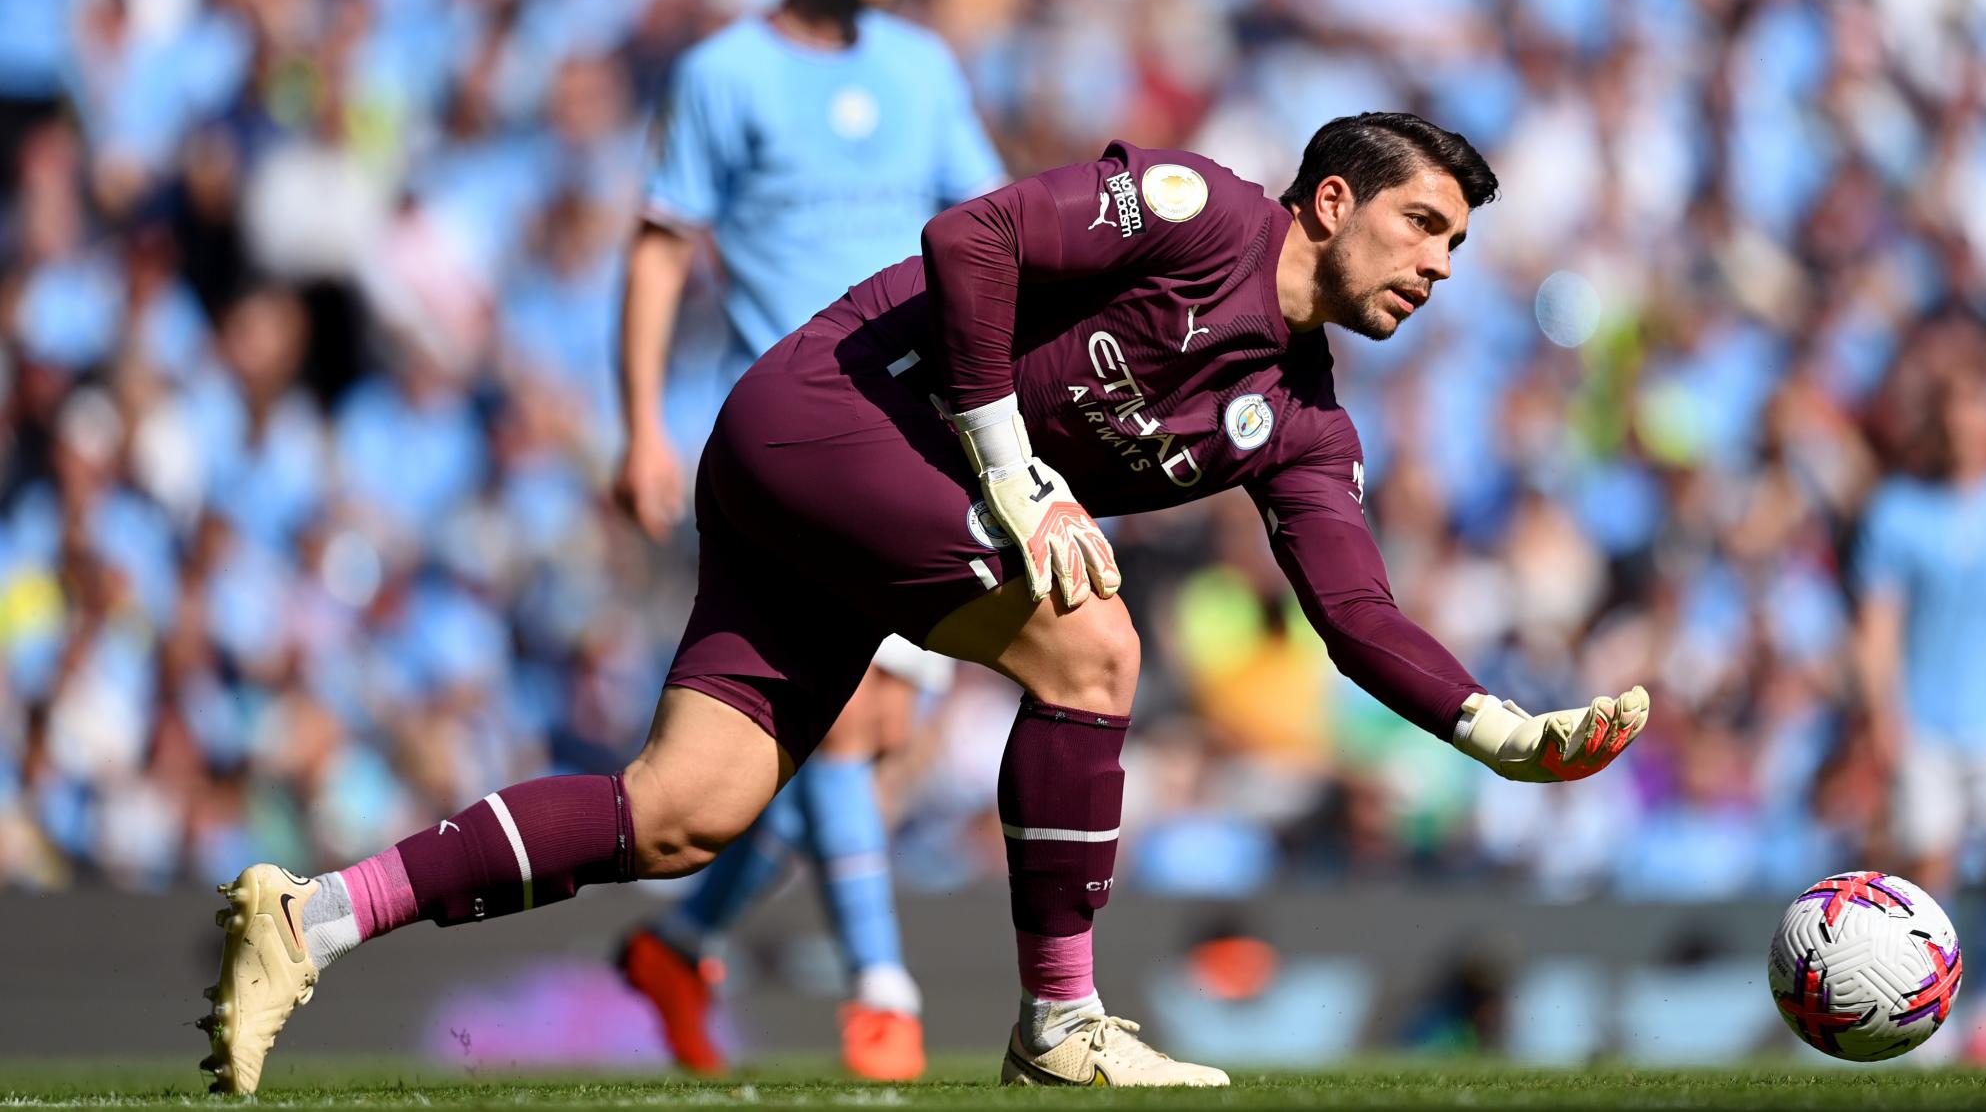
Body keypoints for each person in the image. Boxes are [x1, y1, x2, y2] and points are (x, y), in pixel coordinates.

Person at [199, 112, 1650, 1092]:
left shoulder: (1306, 417)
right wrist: (1017, 471)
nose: (1440, 266)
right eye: (1424, 225)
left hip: (865, 508)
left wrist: (1500, 733)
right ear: (1331, 201)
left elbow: (1353, 610)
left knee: (683, 811)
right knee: (1093, 637)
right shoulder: (1201, 212)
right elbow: (972, 240)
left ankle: (315, 917)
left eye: (1456, 245)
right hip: (824, 419)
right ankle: (1061, 1020)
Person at [614, 0, 1001, 1080]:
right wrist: (638, 425)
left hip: (925, 439)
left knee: (847, 757)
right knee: (842, 728)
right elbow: (659, 248)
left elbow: (985, 239)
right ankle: (882, 992)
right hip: (797, 445)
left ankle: (681, 945)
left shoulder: (923, 69)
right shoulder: (721, 76)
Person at [1852, 363, 1986, 894]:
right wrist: (1883, 714)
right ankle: (1936, 976)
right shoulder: (1899, 511)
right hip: (1926, 719)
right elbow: (1879, 625)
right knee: (1929, 864)